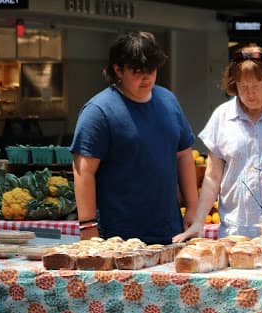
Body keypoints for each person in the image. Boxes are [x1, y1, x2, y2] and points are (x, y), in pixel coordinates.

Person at [173, 45, 262, 240]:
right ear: (234, 85)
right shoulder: (222, 116)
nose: (250, 94)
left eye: (256, 86)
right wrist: (199, 221)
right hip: (237, 231)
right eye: (243, 87)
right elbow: (213, 177)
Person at [70, 31, 198, 244]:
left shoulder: (168, 100)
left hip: (170, 232)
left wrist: (193, 207)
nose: (146, 77)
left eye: (151, 69)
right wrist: (88, 226)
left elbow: (184, 155)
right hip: (118, 238)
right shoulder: (98, 111)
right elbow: (83, 171)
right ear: (118, 69)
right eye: (138, 71)